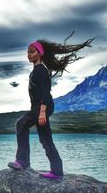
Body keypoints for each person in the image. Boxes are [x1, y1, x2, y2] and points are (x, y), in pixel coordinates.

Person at [8, 33, 94, 179]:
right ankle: (57, 171)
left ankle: (22, 161)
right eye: (28, 52)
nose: (28, 55)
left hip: (42, 107)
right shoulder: (36, 71)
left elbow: (45, 93)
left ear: (40, 53)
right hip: (41, 107)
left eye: (32, 52)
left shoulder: (40, 71)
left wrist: (42, 112)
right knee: (45, 139)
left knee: (21, 123)